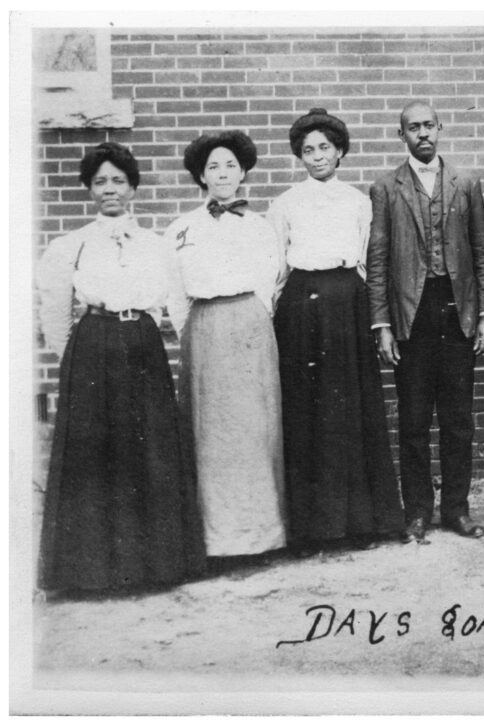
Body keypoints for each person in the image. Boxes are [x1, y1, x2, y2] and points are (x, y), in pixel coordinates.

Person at [36, 142, 205, 593]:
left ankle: (154, 566)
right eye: (100, 182)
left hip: (142, 345)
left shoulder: (156, 243)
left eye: (117, 180)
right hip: (93, 346)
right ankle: (91, 571)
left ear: (132, 187)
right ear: (89, 189)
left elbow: (177, 303)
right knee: (96, 455)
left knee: (147, 449)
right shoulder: (71, 245)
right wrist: (74, 357)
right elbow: (54, 311)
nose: (109, 189)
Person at [268, 108, 405, 555]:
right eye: (307, 150)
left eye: (324, 147)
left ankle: (361, 522)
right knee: (307, 410)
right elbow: (276, 268)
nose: (316, 156)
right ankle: (310, 529)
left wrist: (364, 307)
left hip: (348, 302)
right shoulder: (285, 204)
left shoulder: (358, 201)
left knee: (352, 408)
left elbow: (369, 259)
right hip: (301, 307)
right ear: (299, 157)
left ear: (340, 151)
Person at [366, 101, 484, 543]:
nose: (422, 133)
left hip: (457, 308)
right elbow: (377, 258)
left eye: (428, 125)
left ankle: (456, 509)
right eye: (412, 128)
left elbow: (481, 251)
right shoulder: (385, 187)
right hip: (411, 312)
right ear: (401, 136)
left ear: (441, 128)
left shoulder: (466, 182)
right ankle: (417, 511)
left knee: (459, 419)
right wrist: (382, 323)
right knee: (414, 418)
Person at [166, 130, 287, 563]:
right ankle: (216, 541)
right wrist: (196, 331)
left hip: (249, 325)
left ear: (243, 173)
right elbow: (175, 294)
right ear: (200, 174)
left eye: (230, 165)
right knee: (210, 433)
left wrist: (248, 322)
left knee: (254, 430)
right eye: (213, 166)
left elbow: (270, 282)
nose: (222, 174)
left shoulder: (259, 227)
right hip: (204, 329)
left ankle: (261, 538)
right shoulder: (181, 229)